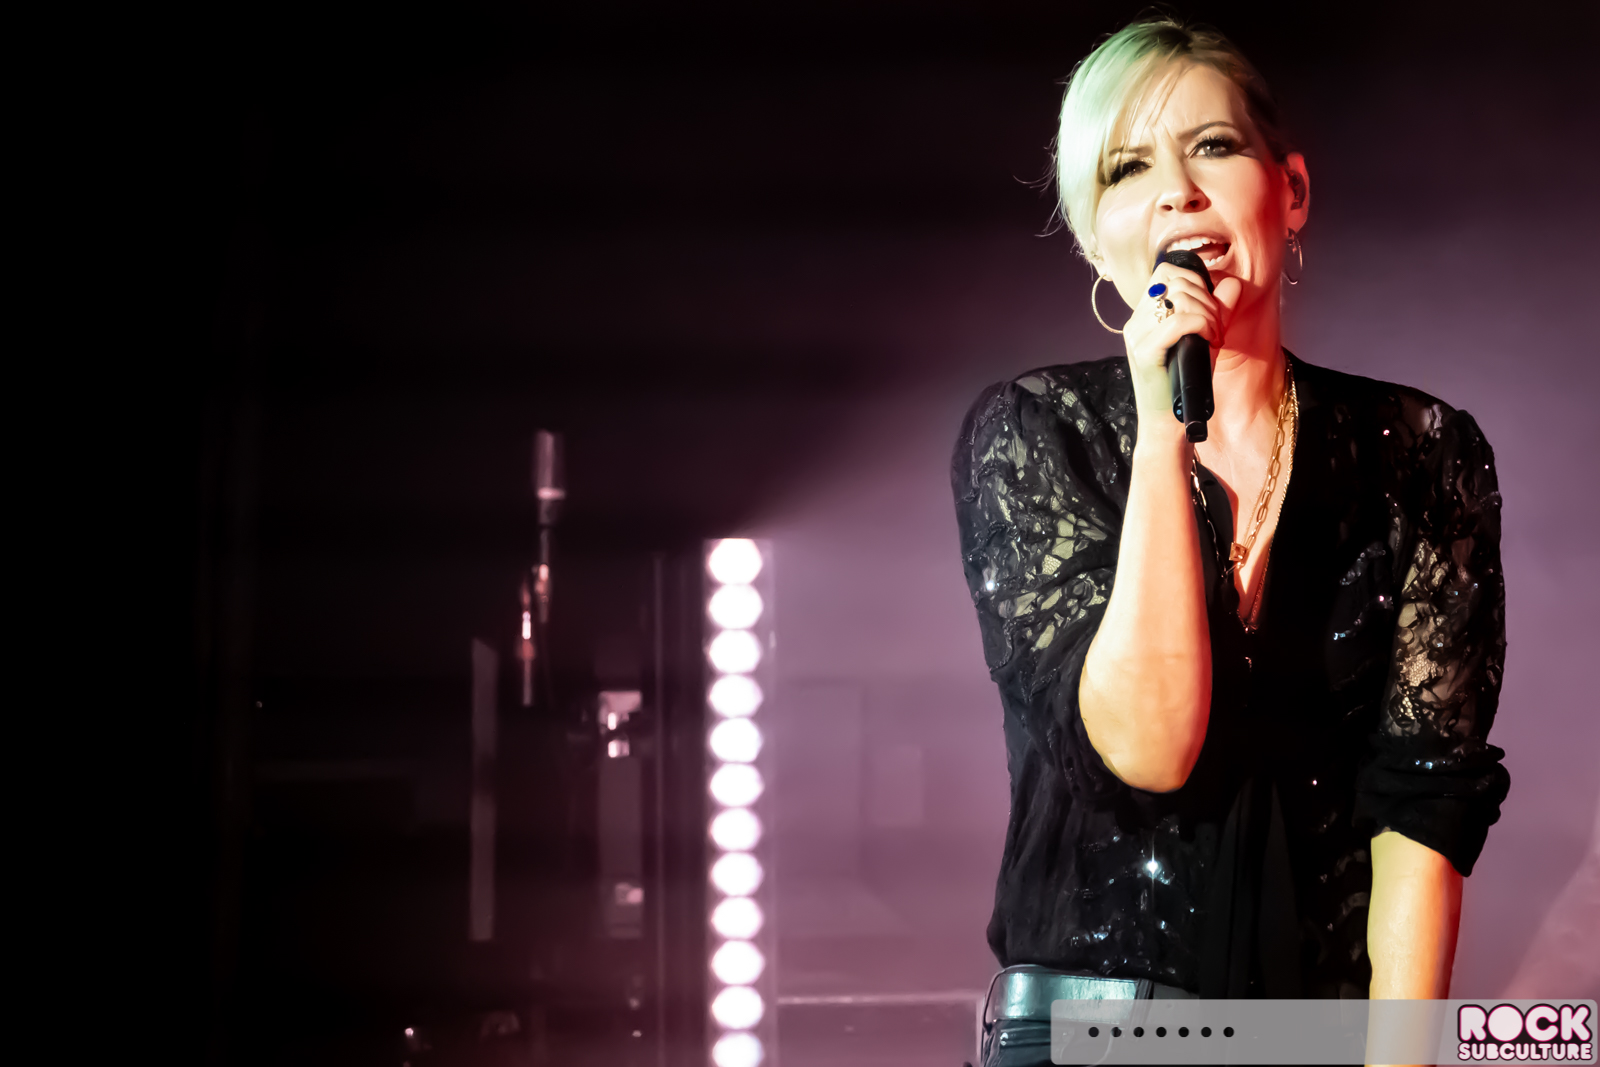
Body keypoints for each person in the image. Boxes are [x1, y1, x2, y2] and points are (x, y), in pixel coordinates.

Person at [950, 16, 1509, 1066]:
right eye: (1128, 168)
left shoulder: (1419, 452)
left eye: (1212, 146)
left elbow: (1425, 807)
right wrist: (1163, 433)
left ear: (1289, 190)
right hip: (1089, 1033)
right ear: (1095, 238)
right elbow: (1147, 747)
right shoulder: (1037, 435)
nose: (1177, 191)